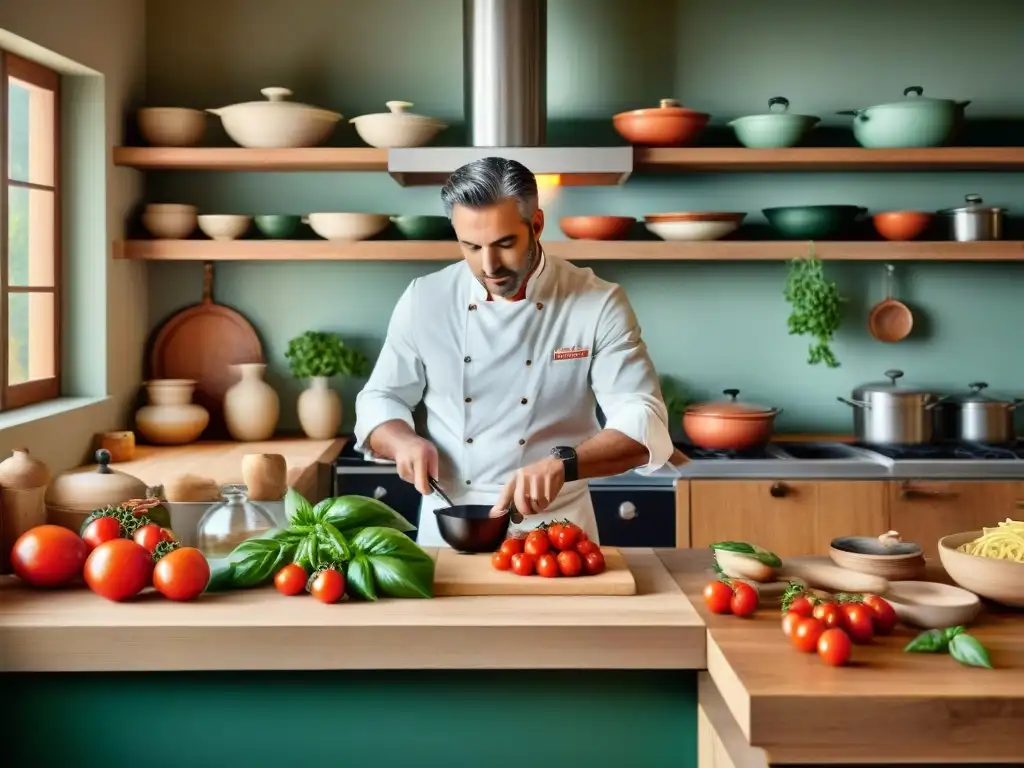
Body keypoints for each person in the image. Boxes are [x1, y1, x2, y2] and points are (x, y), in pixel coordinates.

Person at [353, 156, 673, 546]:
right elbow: (381, 397)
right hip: (450, 525)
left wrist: (563, 464)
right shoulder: (425, 299)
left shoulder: (597, 302)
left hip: (557, 533)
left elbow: (643, 418)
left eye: (505, 244)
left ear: (536, 225)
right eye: (471, 246)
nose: (489, 265)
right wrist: (402, 439)